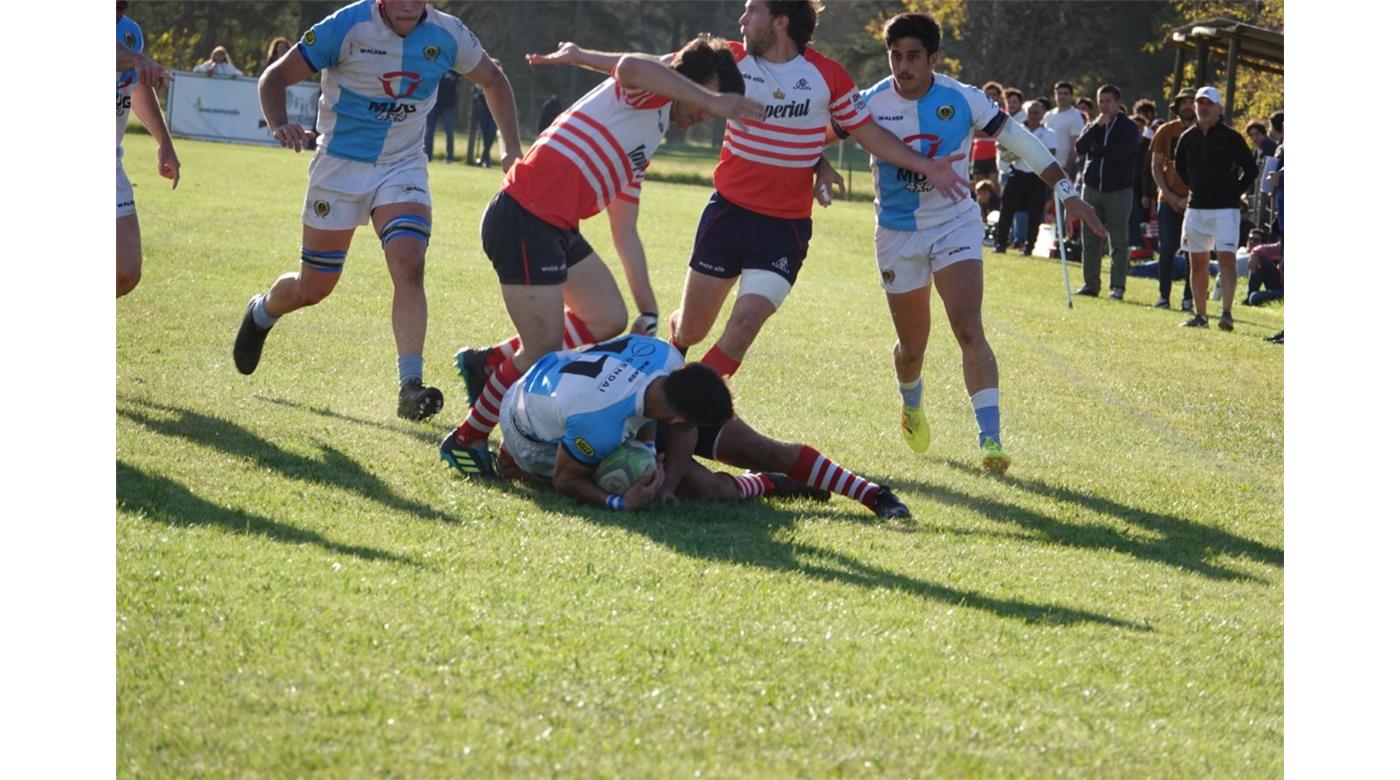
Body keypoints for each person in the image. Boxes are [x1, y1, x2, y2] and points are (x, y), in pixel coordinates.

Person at [439, 36, 763, 477]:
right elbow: (631, 65)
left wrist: (648, 307)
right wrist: (711, 97)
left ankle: (490, 363)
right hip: (524, 215)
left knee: (608, 318)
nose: (706, 113)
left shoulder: (653, 132)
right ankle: (466, 438)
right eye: (706, 100)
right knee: (542, 348)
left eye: (713, 107)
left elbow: (623, 227)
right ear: (684, 81)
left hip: (555, 227)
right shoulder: (649, 91)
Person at [814, 12, 1106, 473]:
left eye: (913, 57)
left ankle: (990, 439)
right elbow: (816, 135)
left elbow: (1023, 143)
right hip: (896, 232)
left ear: (934, 58)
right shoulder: (871, 102)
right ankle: (911, 402)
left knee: (968, 326)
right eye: (895, 56)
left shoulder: (963, 99)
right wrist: (819, 166)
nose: (903, 66)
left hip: (955, 224)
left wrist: (1068, 194)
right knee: (912, 349)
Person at [232, 0, 523, 421]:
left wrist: (511, 148)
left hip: (401, 165)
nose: (408, 4)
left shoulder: (448, 33)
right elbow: (274, 78)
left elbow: (494, 80)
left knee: (409, 262)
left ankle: (410, 386)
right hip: (339, 167)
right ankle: (262, 312)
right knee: (315, 287)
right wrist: (279, 123)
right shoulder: (346, 27)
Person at [666, 0, 971, 383]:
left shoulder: (828, 76)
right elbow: (654, 69)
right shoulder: (731, 59)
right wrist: (583, 57)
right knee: (691, 329)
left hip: (784, 229)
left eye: (752, 10)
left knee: (743, 327)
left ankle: (681, 404)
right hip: (728, 213)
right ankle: (667, 365)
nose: (742, 19)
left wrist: (926, 165)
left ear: (780, 21)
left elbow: (869, 133)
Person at [483, 336, 729, 510]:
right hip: (522, 424)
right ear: (677, 420)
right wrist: (620, 503)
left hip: (550, 374)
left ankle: (765, 478)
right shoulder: (598, 426)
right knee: (596, 473)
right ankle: (511, 460)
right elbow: (566, 480)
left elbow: (641, 403)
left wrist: (650, 453)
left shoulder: (667, 355)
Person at [661, 413, 911, 517]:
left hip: (669, 406)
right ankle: (765, 481)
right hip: (637, 432)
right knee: (713, 493)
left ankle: (873, 494)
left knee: (765, 450)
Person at [1174, 86, 1258, 331]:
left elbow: (1250, 169)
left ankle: (1227, 313)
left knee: (1226, 260)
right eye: (1200, 103)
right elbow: (1180, 168)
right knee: (1197, 263)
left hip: (1226, 210)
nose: (1203, 107)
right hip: (1196, 208)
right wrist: (1196, 188)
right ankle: (1201, 316)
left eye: (1208, 103)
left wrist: (1235, 191)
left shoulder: (1231, 137)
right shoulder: (1187, 137)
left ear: (1219, 108)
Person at [116, 0, 181, 299]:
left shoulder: (130, 32)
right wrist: (136, 60)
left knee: (125, 271)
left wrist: (164, 142)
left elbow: (138, 87)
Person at [1073, 84, 1140, 300]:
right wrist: (1095, 129)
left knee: (1118, 240)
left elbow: (1122, 153)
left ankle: (1117, 287)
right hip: (1091, 189)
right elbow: (1080, 148)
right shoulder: (1093, 125)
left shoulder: (1129, 127)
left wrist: (1098, 150)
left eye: (1108, 101)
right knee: (1090, 239)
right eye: (1101, 101)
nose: (1104, 106)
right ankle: (1090, 284)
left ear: (1119, 103)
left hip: (1118, 192)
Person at [1149, 90, 1195, 310]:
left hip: (1195, 203)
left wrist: (1189, 198)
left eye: (1192, 102)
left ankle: (1189, 299)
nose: (1188, 106)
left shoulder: (1205, 132)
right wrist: (1169, 195)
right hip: (1167, 201)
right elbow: (1156, 166)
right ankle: (1163, 296)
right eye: (1184, 102)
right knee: (1166, 250)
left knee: (1193, 252)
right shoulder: (1166, 131)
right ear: (1177, 106)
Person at [995, 97, 1057, 255]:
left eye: (1037, 112)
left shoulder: (1048, 133)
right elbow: (1000, 144)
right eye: (1031, 112)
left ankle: (1029, 247)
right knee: (1006, 212)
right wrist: (1012, 150)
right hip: (1017, 174)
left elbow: (1051, 154)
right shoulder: (1016, 128)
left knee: (1035, 215)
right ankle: (1000, 244)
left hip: (1037, 177)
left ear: (1043, 114)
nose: (1034, 115)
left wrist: (1028, 151)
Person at [1043, 81, 1084, 181]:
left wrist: (1067, 168)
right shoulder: (1048, 115)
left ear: (1071, 96)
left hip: (1065, 168)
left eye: (1065, 93)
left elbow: (1075, 146)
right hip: (1047, 167)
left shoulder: (1076, 116)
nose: (1062, 96)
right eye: (1059, 93)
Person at [424, 69, 459, 162]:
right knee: (429, 132)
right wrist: (445, 81)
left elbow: (452, 83)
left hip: (448, 106)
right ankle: (428, 155)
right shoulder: (436, 66)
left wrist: (441, 81)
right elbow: (431, 82)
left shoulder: (454, 71)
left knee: (449, 132)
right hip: (433, 105)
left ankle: (449, 157)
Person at [472, 70, 498, 167]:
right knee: (485, 135)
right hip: (483, 111)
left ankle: (483, 158)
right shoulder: (481, 83)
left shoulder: (500, 84)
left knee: (491, 135)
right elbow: (477, 95)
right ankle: (486, 161)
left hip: (496, 113)